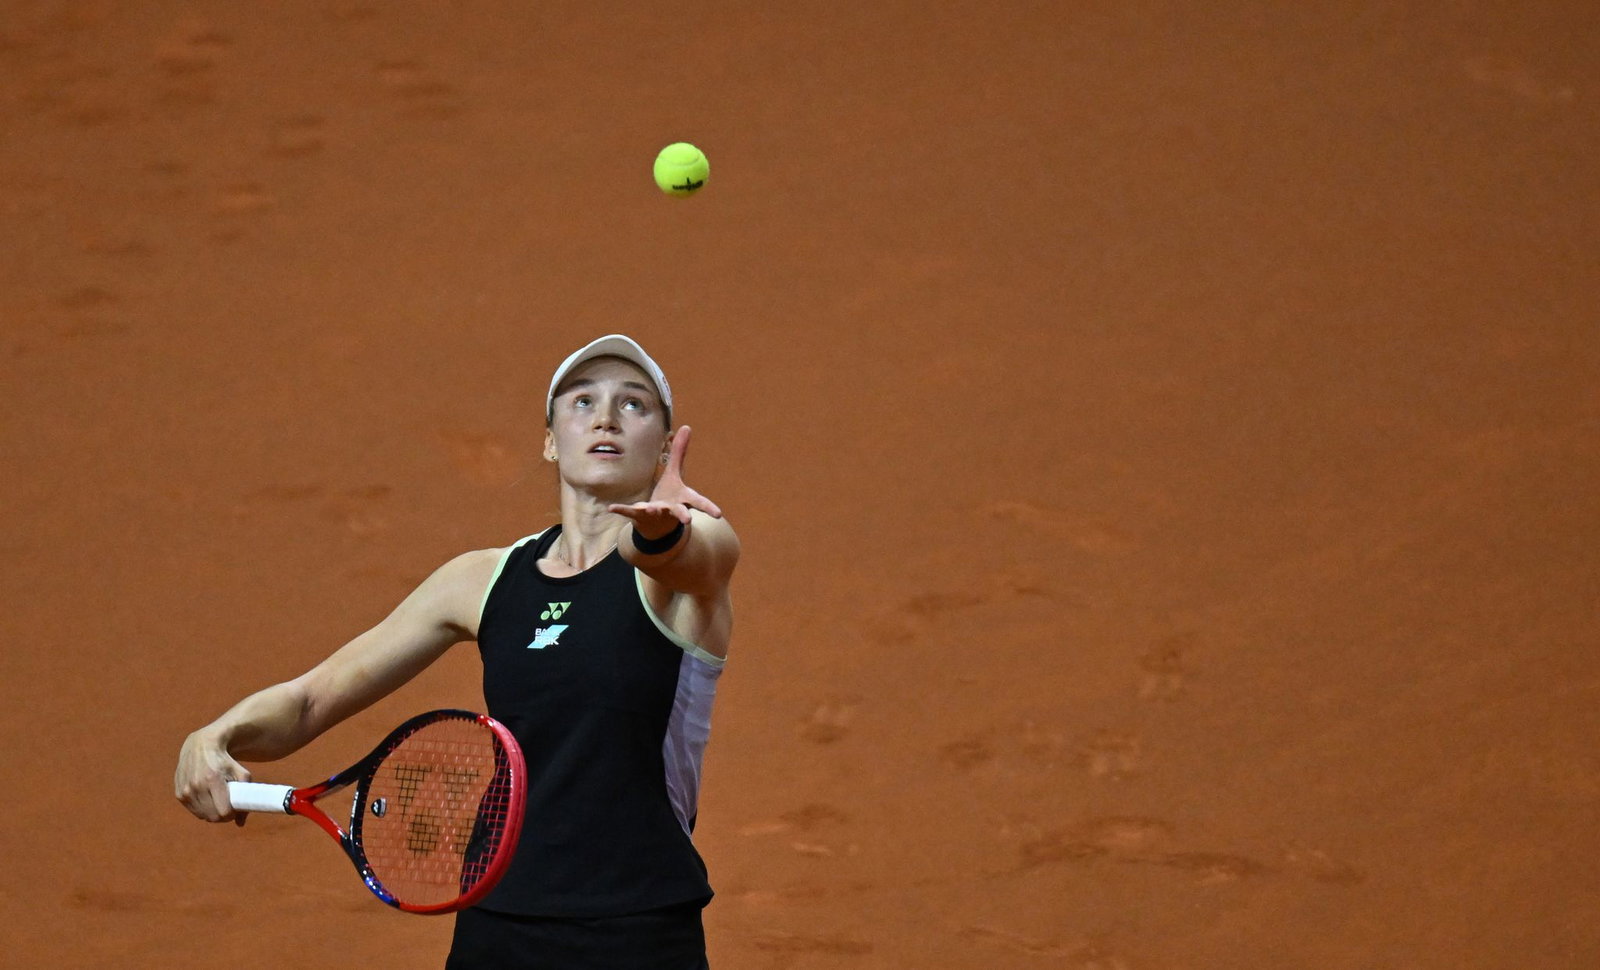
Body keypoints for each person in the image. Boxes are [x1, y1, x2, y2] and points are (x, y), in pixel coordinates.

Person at [175, 334, 739, 970]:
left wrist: (662, 531)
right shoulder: (481, 581)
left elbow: (695, 557)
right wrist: (216, 735)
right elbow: (311, 700)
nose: (606, 417)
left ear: (665, 446)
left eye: (633, 405)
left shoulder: (693, 549)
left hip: (639, 928)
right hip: (497, 922)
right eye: (583, 401)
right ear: (550, 439)